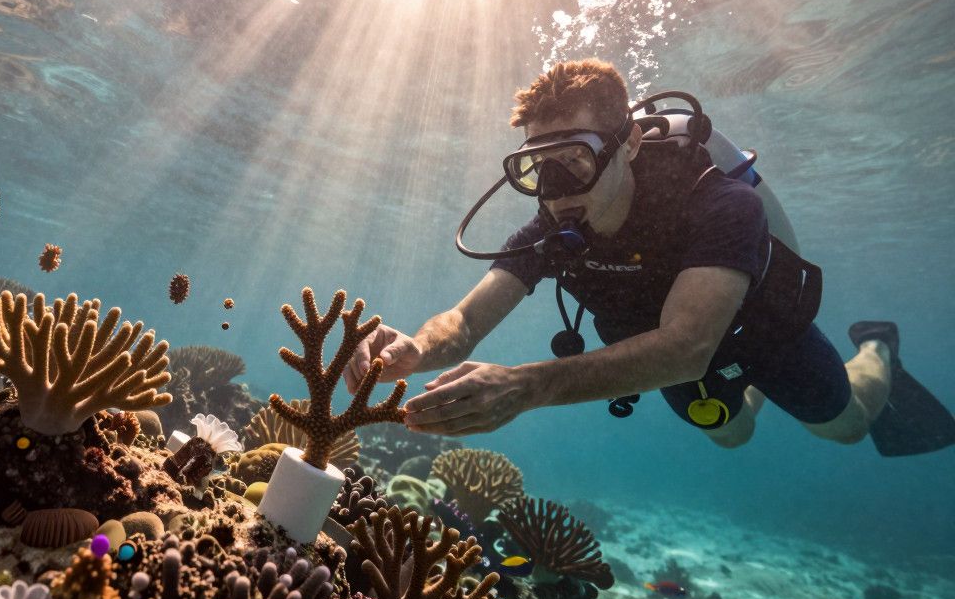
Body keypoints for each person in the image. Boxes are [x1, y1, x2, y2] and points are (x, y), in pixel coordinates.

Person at [343, 58, 954, 456]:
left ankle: (877, 348)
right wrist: (417, 349)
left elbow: (687, 346)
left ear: (629, 143)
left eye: (574, 159)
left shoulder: (719, 205)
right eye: (536, 167)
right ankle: (749, 392)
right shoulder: (549, 229)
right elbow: (467, 322)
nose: (556, 187)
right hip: (664, 356)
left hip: (761, 331)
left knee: (844, 426)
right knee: (732, 434)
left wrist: (528, 386)